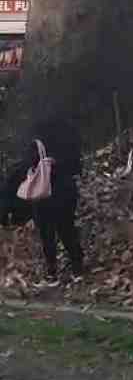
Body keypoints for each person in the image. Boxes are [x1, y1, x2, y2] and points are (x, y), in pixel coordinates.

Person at [17, 118, 84, 286]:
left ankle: (53, 272)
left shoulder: (36, 136)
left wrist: (44, 163)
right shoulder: (69, 137)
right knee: (66, 229)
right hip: (63, 192)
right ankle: (76, 268)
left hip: (47, 195)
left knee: (50, 233)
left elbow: (27, 162)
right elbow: (77, 165)